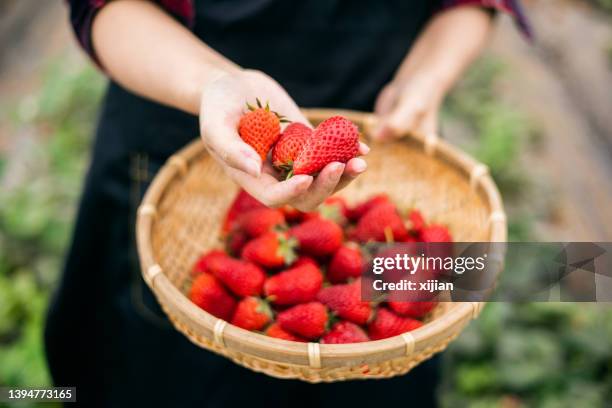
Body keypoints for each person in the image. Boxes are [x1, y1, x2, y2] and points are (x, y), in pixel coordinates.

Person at [45, 0, 529, 406]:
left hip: (376, 135)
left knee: (378, 373)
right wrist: (213, 83)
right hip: (190, 120)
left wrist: (426, 77)